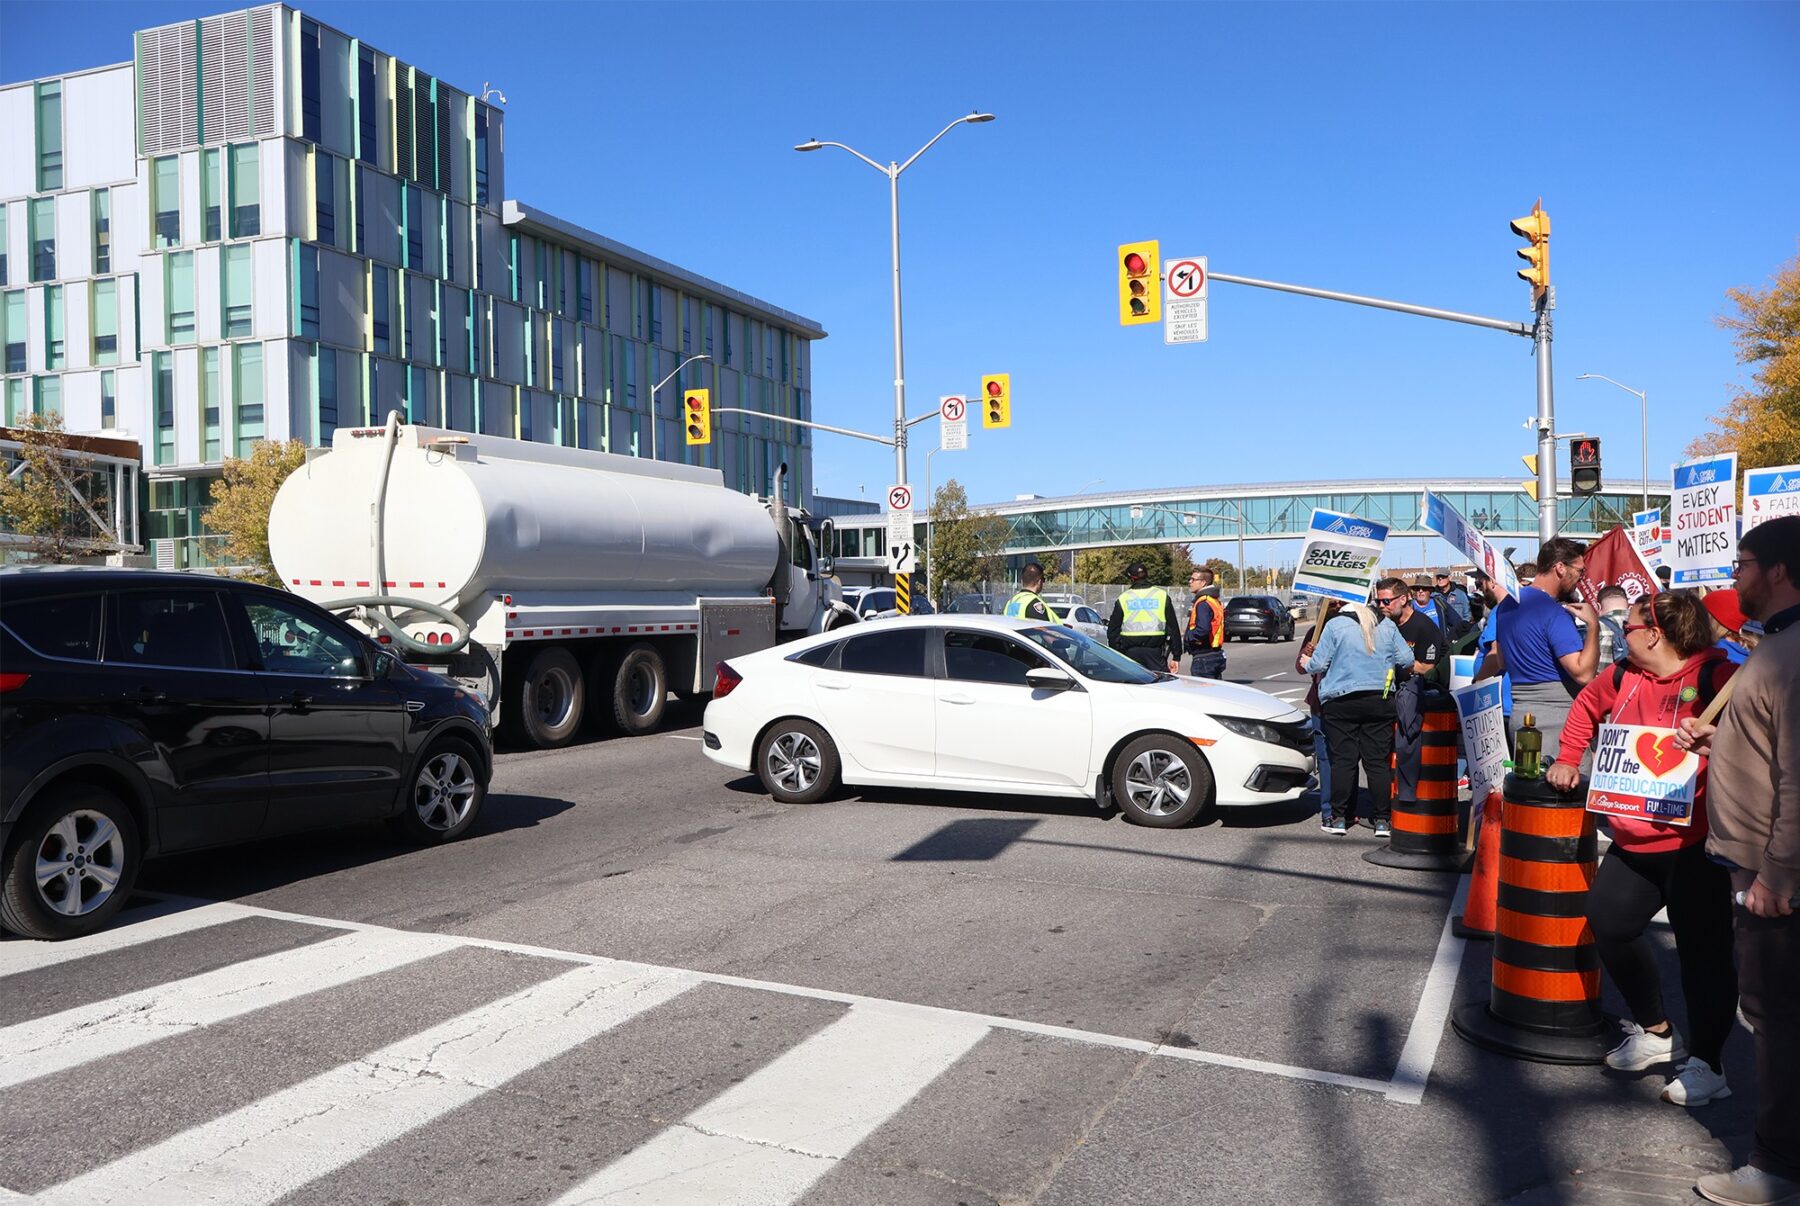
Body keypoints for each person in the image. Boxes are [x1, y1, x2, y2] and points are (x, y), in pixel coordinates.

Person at [1546, 592, 1738, 1107]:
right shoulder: (1619, 676)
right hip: (1633, 839)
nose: (1618, 634)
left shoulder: (1720, 680)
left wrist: (1717, 740)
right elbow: (1587, 705)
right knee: (1609, 923)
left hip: (1696, 844)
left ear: (1654, 633)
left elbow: (1762, 742)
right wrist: (1567, 756)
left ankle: (1710, 1065)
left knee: (1705, 957)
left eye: (1625, 627)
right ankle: (1657, 1032)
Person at [1677, 516, 1800, 1206]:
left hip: (1775, 883)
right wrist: (1715, 742)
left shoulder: (1789, 654)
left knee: (1778, 1021)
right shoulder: (1774, 647)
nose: (1734, 579)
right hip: (1761, 872)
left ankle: (1778, 1170)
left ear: (1780, 571)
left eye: (1744, 564)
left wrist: (1779, 874)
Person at [1477, 537, 1601, 760]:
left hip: (1520, 713)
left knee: (1529, 790)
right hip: (1557, 720)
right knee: (1563, 791)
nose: (1581, 579)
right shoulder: (1554, 612)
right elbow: (1583, 674)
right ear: (1560, 568)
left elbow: (1502, 661)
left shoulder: (1505, 606)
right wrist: (1593, 625)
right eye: (1580, 571)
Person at [1306, 599, 1414, 835]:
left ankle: (1339, 818)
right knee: (1376, 762)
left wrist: (1308, 662)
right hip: (1380, 698)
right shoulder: (1386, 624)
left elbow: (1318, 664)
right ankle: (1382, 819)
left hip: (1341, 700)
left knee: (1344, 761)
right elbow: (1406, 660)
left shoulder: (1335, 625)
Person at [1375, 577, 1445, 825]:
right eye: (1378, 600)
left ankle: (1406, 796)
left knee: (1407, 739)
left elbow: (1428, 667)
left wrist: (1401, 665)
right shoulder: (1381, 625)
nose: (1381, 605)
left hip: (1410, 687)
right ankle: (1379, 802)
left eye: (1386, 601)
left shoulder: (1424, 627)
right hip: (1382, 690)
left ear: (1403, 599)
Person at [1297, 600, 1341, 821]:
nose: (1335, 607)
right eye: (1330, 604)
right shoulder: (1315, 632)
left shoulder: (1350, 630)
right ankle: (1329, 810)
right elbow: (1300, 667)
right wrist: (1308, 652)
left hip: (1343, 702)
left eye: (1338, 604)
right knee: (1324, 758)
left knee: (1345, 758)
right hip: (1319, 703)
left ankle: (1343, 808)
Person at [1108, 562, 1182, 673]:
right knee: (1159, 686)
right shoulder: (1161, 596)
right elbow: (1173, 627)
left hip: (1130, 653)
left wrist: (1117, 652)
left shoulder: (1124, 598)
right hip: (1155, 653)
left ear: (1131, 578)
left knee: (1132, 688)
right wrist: (1176, 655)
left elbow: (1113, 630)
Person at [1185, 567, 1227, 678]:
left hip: (1204, 657)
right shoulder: (1212, 600)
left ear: (1203, 583)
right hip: (1214, 654)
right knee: (1214, 693)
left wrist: (1189, 637)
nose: (1190, 582)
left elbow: (1203, 629)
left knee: (1203, 693)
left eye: (1193, 579)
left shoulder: (1203, 602)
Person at [1594, 585, 1632, 666]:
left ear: (1598, 607)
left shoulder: (1593, 627)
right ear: (1628, 605)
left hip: (1602, 678)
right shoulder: (1643, 625)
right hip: (1633, 678)